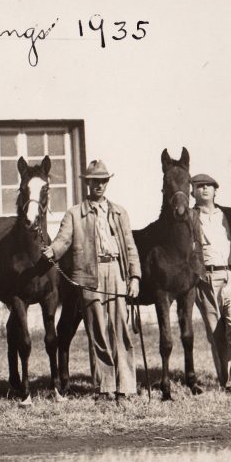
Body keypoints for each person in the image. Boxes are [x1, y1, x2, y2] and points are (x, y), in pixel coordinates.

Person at [42, 160, 141, 401]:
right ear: (88, 183)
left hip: (116, 271)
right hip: (88, 275)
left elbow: (130, 246)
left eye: (103, 180)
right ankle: (106, 386)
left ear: (107, 183)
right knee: (98, 331)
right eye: (94, 181)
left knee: (121, 329)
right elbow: (64, 240)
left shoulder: (119, 212)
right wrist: (52, 251)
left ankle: (126, 386)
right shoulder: (75, 213)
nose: (99, 185)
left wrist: (135, 276)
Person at [189, 172, 231, 392]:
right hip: (206, 281)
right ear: (193, 192)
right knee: (216, 335)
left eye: (208, 185)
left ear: (216, 190)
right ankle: (225, 381)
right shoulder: (188, 218)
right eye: (199, 186)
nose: (204, 189)